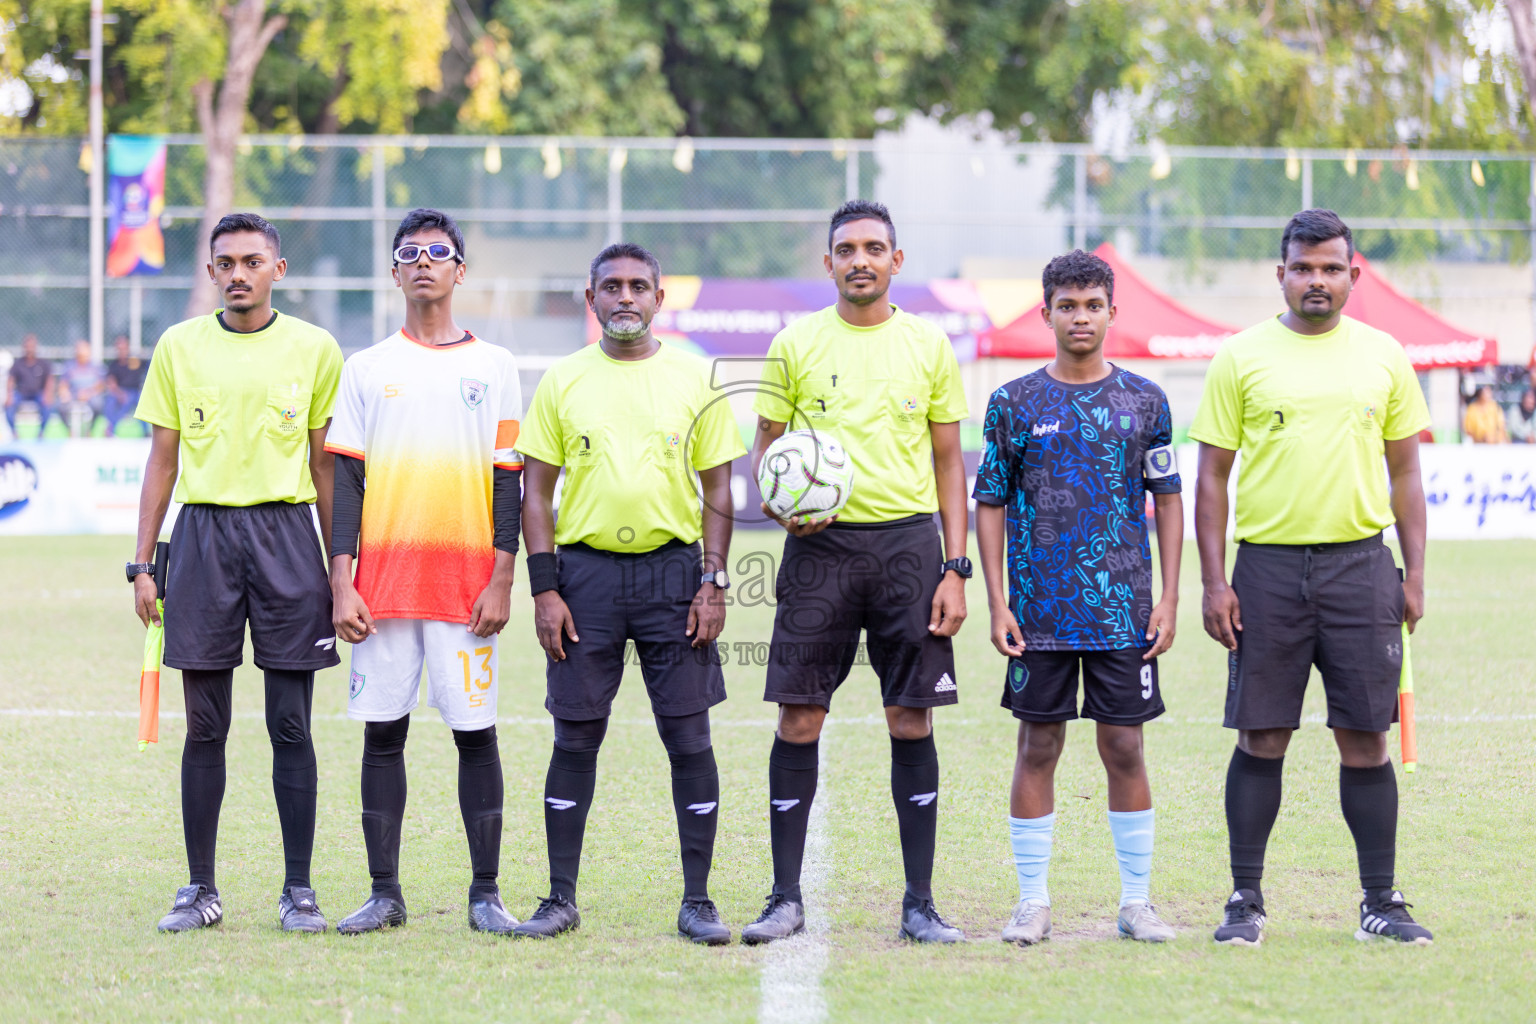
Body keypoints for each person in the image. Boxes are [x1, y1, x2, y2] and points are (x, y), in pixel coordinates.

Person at [1191, 209, 1433, 946]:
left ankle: (1380, 902)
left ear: (1354, 275)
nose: (1317, 280)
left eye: (1331, 268)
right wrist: (1212, 582)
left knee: (1365, 739)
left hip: (1361, 568)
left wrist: (1415, 574)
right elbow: (1211, 480)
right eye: (1304, 267)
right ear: (1281, 274)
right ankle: (1245, 900)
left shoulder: (1385, 355)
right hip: (1264, 570)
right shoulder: (1240, 356)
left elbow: (1406, 473)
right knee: (1262, 736)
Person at [742, 200, 971, 945]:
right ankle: (784, 897)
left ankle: (920, 903)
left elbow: (947, 461)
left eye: (875, 247)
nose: (861, 259)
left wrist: (956, 567)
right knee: (799, 716)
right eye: (847, 249)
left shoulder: (929, 345)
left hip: (909, 548)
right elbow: (767, 447)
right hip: (821, 551)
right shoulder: (795, 344)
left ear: (896, 260)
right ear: (830, 261)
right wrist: (782, 508)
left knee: (911, 715)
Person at [511, 242, 745, 945]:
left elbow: (719, 489)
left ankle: (698, 900)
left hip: (674, 575)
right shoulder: (563, 380)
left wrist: (712, 579)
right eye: (610, 286)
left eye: (638, 286)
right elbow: (535, 492)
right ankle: (559, 898)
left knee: (688, 735)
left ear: (658, 299)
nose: (624, 297)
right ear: (590, 299)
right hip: (585, 577)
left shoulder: (694, 378)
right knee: (575, 735)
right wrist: (545, 589)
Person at [131, 212, 343, 934]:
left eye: (252, 261)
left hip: (287, 536)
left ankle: (299, 891)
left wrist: (341, 567)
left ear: (277, 270)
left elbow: (324, 465)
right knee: (205, 725)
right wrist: (142, 563)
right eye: (225, 262)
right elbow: (162, 459)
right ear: (211, 271)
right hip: (202, 537)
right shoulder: (178, 346)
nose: (238, 273)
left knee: (291, 724)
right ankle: (199, 889)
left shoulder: (315, 348)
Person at [973, 250, 1183, 947]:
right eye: (1068, 305)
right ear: (1048, 313)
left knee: (1125, 746)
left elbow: (1168, 499)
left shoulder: (1147, 402)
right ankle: (1032, 902)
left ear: (1112, 312)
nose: (1081, 316)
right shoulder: (1012, 404)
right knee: (1038, 746)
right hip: (1039, 614)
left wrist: (1170, 595)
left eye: (1094, 305)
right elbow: (991, 503)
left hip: (1124, 610)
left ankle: (1136, 902)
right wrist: (1000, 601)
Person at [325, 209, 524, 936]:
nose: (422, 262)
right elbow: (346, 483)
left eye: (438, 252)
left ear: (460, 270)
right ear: (394, 271)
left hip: (466, 588)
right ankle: (385, 893)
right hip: (383, 588)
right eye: (408, 252)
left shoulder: (494, 366)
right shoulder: (367, 368)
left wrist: (503, 577)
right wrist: (342, 580)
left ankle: (485, 895)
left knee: (477, 734)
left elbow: (509, 480)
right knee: (383, 733)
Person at [5, 333, 55, 433]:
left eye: (32, 346)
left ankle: (41, 432)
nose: (30, 349)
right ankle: (14, 432)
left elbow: (50, 380)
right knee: (8, 406)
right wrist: (9, 396)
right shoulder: (18, 363)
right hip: (21, 393)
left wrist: (48, 394)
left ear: (36, 347)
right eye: (27, 346)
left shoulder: (43, 363)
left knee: (48, 405)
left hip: (38, 393)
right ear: (24, 347)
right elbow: (11, 380)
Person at [58, 339, 107, 435]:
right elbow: (63, 384)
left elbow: (101, 385)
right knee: (61, 406)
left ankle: (89, 430)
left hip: (91, 395)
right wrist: (65, 393)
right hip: (74, 395)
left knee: (98, 404)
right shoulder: (69, 366)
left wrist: (89, 394)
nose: (82, 353)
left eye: (84, 351)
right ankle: (70, 430)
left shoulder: (95, 367)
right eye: (79, 350)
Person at [104, 334, 148, 436]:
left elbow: (149, 368)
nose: (122, 350)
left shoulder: (136, 361)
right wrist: (120, 394)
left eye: (124, 347)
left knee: (142, 401)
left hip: (136, 392)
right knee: (111, 402)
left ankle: (146, 432)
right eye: (119, 348)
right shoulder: (113, 365)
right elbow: (111, 383)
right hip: (120, 391)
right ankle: (111, 430)